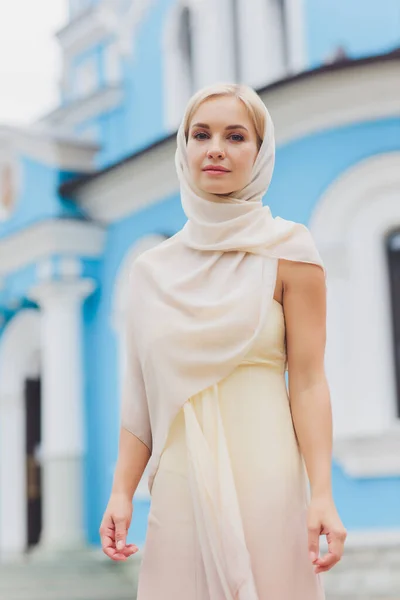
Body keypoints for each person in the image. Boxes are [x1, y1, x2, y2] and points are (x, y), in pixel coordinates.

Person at [100, 83, 347, 599]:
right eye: (200, 134)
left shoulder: (290, 252)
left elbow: (307, 382)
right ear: (184, 149)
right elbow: (140, 398)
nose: (215, 147)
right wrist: (121, 493)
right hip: (182, 480)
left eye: (236, 136)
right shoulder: (151, 271)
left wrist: (322, 493)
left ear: (259, 153)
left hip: (268, 475)